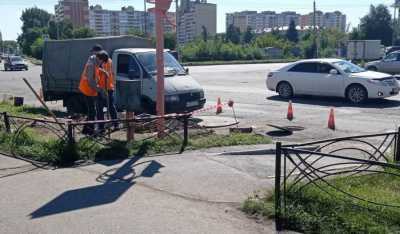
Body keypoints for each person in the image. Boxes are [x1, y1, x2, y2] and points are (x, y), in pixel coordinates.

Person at [79, 44, 103, 135]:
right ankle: (90, 131)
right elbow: (90, 80)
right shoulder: (92, 61)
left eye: (93, 51)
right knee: (92, 112)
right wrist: (99, 89)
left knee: (92, 111)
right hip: (87, 89)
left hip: (90, 89)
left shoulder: (97, 61)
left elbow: (97, 74)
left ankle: (86, 130)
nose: (92, 53)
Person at [96, 50, 118, 130]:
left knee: (100, 107)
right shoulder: (109, 61)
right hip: (108, 87)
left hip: (104, 87)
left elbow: (103, 72)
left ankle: (102, 127)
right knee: (110, 107)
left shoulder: (104, 62)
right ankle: (115, 124)